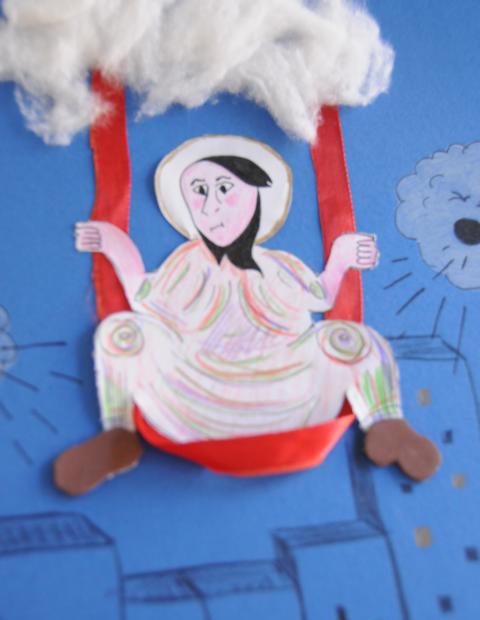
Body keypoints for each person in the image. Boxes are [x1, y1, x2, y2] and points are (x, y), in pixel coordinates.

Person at [54, 136, 440, 494]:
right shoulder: (188, 262)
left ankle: (386, 422)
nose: (211, 207)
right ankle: (118, 433)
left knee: (350, 338)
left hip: (283, 380)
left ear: (256, 195)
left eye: (225, 189)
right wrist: (115, 245)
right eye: (198, 193)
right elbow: (142, 294)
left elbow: (321, 296)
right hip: (197, 383)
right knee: (123, 331)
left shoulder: (278, 265)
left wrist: (341, 258)